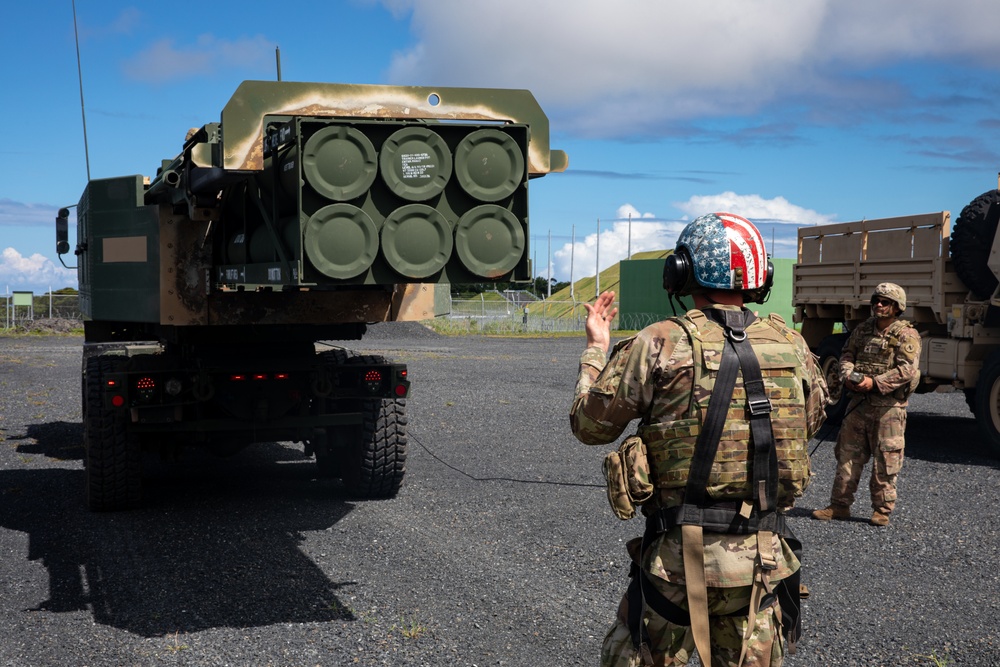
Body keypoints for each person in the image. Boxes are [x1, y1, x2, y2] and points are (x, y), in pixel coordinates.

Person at [570, 212, 828, 667]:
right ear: (759, 277)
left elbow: (590, 426)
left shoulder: (658, 342)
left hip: (677, 561)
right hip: (765, 561)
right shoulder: (793, 345)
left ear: (680, 271)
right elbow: (809, 423)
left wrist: (595, 349)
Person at [812, 283, 920, 527]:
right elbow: (847, 354)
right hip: (859, 405)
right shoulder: (863, 330)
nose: (879, 305)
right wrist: (848, 374)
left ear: (897, 307)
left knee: (886, 460)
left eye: (885, 302)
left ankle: (882, 510)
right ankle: (839, 506)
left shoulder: (906, 335)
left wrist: (874, 382)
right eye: (876, 300)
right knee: (847, 455)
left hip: (888, 408)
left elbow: (907, 370)